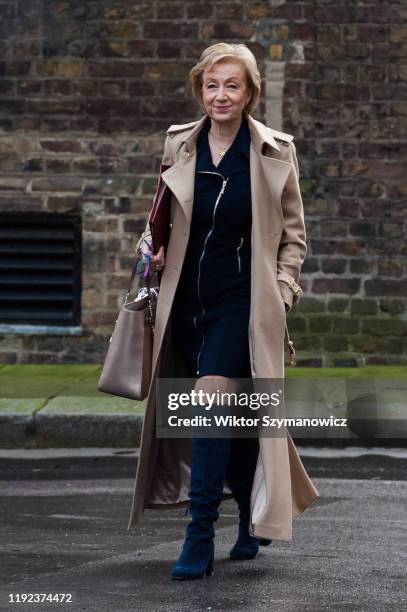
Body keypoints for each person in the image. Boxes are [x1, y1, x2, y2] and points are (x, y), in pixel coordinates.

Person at [129, 42, 319, 580]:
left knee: (210, 407)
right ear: (200, 90)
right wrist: (154, 249)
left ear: (250, 92)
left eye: (232, 85)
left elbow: (293, 240)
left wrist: (281, 294)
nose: (220, 95)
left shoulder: (274, 151)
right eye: (212, 85)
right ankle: (246, 521)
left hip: (242, 305)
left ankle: (198, 536)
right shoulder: (179, 145)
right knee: (232, 421)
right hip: (184, 302)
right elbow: (162, 219)